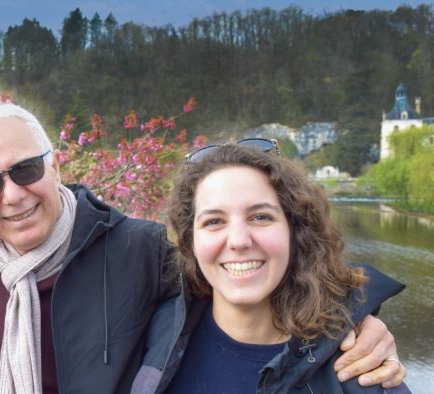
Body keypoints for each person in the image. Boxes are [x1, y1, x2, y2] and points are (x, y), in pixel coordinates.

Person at [0, 107, 406, 393]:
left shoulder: (138, 249)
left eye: (25, 169)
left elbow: (242, 271)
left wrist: (354, 313)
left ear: (55, 164)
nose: (13, 195)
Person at [132, 141, 409, 393]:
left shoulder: (362, 374)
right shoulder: (153, 331)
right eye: (214, 221)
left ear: (295, 231)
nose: (239, 240)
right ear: (190, 241)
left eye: (261, 217)